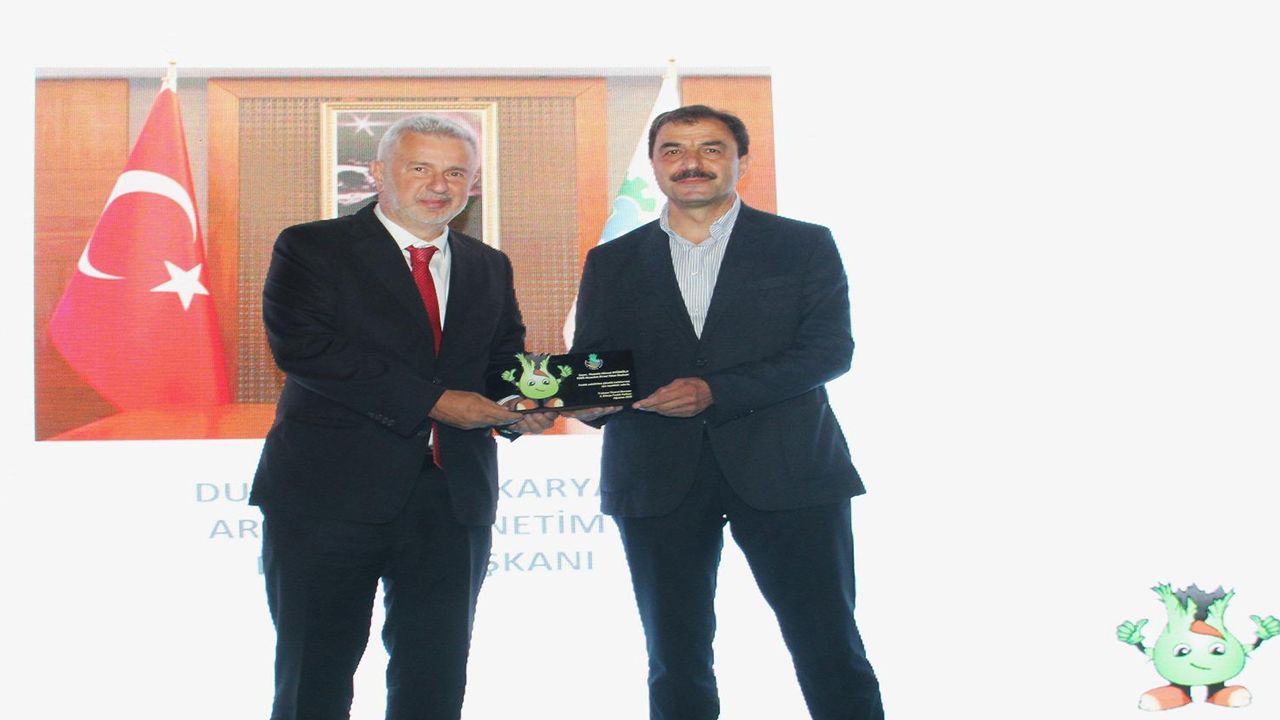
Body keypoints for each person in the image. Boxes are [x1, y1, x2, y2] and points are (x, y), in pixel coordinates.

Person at [571, 105, 883, 720]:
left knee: (829, 647)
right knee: (674, 659)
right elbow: (595, 366)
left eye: (711, 148)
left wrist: (717, 390)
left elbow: (828, 351)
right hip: (656, 476)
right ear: (654, 164)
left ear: (742, 160)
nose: (691, 162)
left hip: (789, 471)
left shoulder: (803, 244)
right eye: (673, 150)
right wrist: (573, 400)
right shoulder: (612, 260)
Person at [249, 114, 554, 720]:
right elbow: (306, 351)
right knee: (314, 677)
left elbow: (501, 364)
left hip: (452, 499)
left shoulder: (488, 264)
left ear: (472, 184)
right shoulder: (312, 247)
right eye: (420, 168)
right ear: (377, 173)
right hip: (327, 500)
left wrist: (529, 405)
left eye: (456, 173)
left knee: (434, 678)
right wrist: (434, 402)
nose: (439, 185)